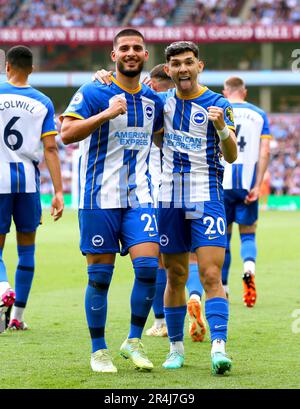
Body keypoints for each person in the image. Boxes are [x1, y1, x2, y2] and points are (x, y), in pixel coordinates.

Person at [60, 29, 164, 373]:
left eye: (137, 48)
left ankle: (133, 340)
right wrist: (105, 114)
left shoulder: (154, 101)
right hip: (97, 197)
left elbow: (163, 138)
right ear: (114, 55)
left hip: (141, 196)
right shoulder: (94, 90)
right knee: (100, 278)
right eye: (125, 48)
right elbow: (66, 134)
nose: (131, 53)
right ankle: (98, 350)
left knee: (148, 268)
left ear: (145, 56)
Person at [156, 41, 237, 374]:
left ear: (199, 66)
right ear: (169, 70)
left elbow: (231, 155)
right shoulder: (160, 103)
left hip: (207, 196)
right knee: (175, 275)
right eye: (176, 64)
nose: (183, 69)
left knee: (210, 274)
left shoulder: (218, 103)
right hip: (169, 197)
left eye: (188, 62)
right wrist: (103, 76)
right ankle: (176, 349)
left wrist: (220, 127)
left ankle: (218, 348)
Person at [0, 45, 64, 333]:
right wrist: (59, 192)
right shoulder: (43, 101)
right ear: (32, 70)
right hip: (27, 183)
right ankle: (17, 317)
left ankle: (2, 287)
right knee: (27, 251)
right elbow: (50, 147)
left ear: (8, 67)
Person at [144, 64, 206, 342]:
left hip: (162, 191)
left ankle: (161, 322)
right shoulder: (187, 105)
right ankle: (194, 295)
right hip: (194, 188)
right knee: (192, 256)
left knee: (162, 260)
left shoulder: (156, 104)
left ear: (156, 84)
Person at [221, 76, 271, 306]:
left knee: (222, 239)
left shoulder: (219, 109)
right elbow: (265, 152)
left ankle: (223, 288)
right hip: (247, 184)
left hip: (221, 184)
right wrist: (258, 184)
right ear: (245, 92)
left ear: (225, 91)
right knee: (248, 234)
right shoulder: (259, 114)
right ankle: (248, 272)